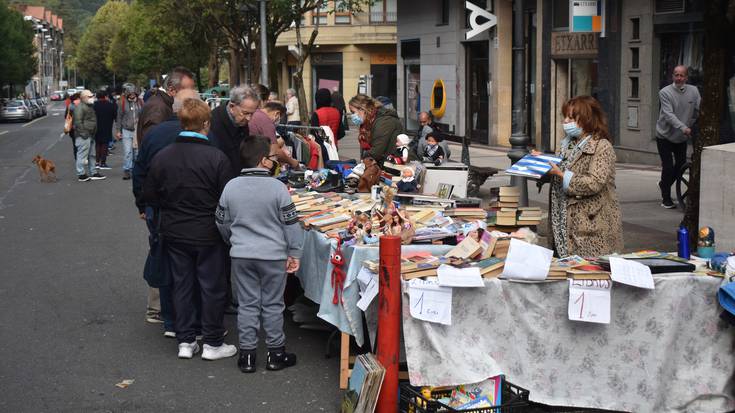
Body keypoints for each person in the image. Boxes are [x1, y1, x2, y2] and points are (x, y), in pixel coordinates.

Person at [142, 98, 236, 360]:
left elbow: (151, 194)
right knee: (212, 286)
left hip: (174, 230)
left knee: (181, 284)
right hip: (208, 231)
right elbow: (226, 199)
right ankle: (213, 342)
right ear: (206, 124)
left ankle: (185, 340)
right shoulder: (217, 157)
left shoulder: (163, 156)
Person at [216, 135, 304, 373]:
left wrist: (232, 240)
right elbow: (290, 223)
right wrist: (295, 251)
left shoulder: (231, 186)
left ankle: (247, 355)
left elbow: (221, 220)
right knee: (274, 305)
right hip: (273, 255)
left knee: (247, 304)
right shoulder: (278, 188)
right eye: (273, 158)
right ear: (265, 161)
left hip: (241, 255)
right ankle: (275, 354)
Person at [132, 89, 202, 337]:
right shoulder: (201, 139)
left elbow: (140, 171)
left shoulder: (155, 135)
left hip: (159, 209)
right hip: (194, 212)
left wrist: (143, 204)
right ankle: (192, 320)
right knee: (193, 265)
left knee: (164, 256)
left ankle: (168, 318)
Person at [543, 95, 623, 257]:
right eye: (565, 116)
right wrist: (540, 162)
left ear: (587, 119)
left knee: (587, 275)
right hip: (562, 223)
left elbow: (594, 183)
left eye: (571, 117)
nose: (565, 121)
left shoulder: (602, 146)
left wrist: (562, 174)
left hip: (591, 228)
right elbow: (558, 173)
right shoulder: (566, 145)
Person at [655, 65, 701, 209]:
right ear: (673, 76)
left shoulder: (694, 91)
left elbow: (699, 108)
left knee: (680, 167)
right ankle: (666, 198)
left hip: (681, 137)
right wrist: (684, 127)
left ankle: (664, 184)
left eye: (682, 75)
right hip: (664, 136)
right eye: (676, 75)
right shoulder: (665, 92)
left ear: (686, 77)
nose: (679, 78)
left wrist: (692, 124)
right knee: (668, 168)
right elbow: (668, 115)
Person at [136, 67, 196, 146]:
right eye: (188, 91)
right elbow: (152, 144)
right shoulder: (157, 107)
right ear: (171, 90)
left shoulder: (164, 103)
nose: (193, 95)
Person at [209, 85, 259, 176]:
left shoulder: (241, 121)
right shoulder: (213, 122)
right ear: (232, 107)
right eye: (245, 113)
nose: (249, 118)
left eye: (252, 114)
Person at [348, 94, 404, 165]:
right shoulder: (368, 122)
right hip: (383, 164)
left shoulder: (384, 121)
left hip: (392, 165)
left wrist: (363, 160)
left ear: (362, 109)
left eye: (353, 112)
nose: (352, 116)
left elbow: (376, 151)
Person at [249, 94, 300, 170]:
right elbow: (274, 152)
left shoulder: (256, 113)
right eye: (280, 118)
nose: (279, 121)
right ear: (277, 114)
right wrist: (293, 162)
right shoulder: (267, 122)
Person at [73, 90, 106, 182]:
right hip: (84, 135)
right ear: (84, 98)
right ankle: (81, 174)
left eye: (92, 96)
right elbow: (78, 122)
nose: (92, 98)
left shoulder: (88, 106)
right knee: (82, 155)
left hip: (90, 134)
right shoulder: (80, 107)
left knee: (92, 155)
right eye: (90, 96)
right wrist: (84, 134)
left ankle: (93, 172)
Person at [116, 85, 144, 180]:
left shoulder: (140, 102)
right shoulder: (123, 103)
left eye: (133, 93)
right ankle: (127, 170)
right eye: (130, 93)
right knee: (128, 151)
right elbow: (119, 117)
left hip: (137, 130)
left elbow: (144, 115)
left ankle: (135, 170)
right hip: (126, 130)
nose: (132, 95)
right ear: (127, 94)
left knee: (137, 152)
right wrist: (118, 131)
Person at [93, 91, 116, 170]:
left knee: (97, 144)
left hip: (96, 127)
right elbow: (115, 116)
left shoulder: (94, 105)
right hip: (107, 126)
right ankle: (103, 162)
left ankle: (96, 162)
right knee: (105, 145)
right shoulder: (110, 105)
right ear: (105, 96)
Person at [65, 92, 81, 160]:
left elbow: (66, 116)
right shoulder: (80, 106)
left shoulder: (69, 106)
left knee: (75, 145)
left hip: (72, 129)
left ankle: (77, 158)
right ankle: (81, 158)